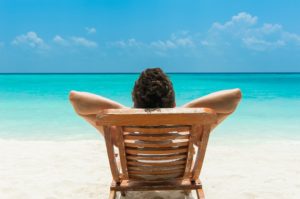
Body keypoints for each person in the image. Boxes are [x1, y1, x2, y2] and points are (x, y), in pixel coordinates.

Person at [69, 68, 242, 145]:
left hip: (136, 177)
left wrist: (126, 113)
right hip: (175, 177)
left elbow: (75, 99)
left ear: (135, 101)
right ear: (173, 102)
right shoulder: (190, 130)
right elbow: (234, 96)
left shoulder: (119, 131)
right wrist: (183, 111)